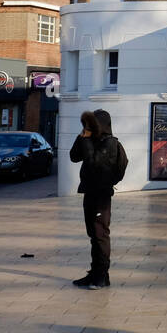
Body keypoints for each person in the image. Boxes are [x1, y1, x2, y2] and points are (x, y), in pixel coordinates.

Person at [68, 109, 127, 290]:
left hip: (101, 194)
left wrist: (87, 141)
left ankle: (101, 276)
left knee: (100, 234)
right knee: (93, 234)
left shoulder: (109, 143)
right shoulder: (91, 140)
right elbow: (74, 156)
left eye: (91, 124)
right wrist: (83, 136)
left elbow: (94, 163)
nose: (88, 128)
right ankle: (96, 273)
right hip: (89, 192)